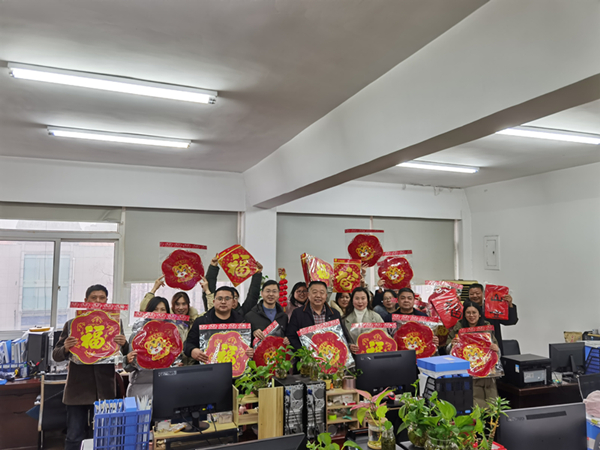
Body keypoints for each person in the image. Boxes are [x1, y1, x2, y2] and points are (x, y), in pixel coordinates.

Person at [52, 285, 128, 450]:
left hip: (104, 390)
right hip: (77, 390)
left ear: (107, 301)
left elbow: (125, 354)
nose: (98, 301)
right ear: (85, 301)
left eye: (102, 298)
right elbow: (56, 355)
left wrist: (125, 344)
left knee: (104, 436)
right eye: (94, 298)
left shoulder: (114, 323)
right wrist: (66, 347)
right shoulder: (72, 324)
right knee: (74, 436)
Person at [447, 302, 500, 408]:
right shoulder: (457, 329)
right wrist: (452, 345)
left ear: (479, 314)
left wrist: (496, 349)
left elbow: (496, 349)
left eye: (474, 312)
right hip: (468, 372)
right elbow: (448, 350)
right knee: (475, 403)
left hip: (487, 372)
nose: (471, 315)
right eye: (468, 313)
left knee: (492, 402)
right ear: (464, 314)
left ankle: (492, 418)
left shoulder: (487, 328)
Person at [184, 286, 254, 364]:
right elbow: (187, 344)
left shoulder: (242, 323)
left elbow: (251, 345)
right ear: (214, 302)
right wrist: (192, 350)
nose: (223, 302)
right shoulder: (202, 322)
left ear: (234, 302)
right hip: (208, 368)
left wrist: (252, 351)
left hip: (235, 368)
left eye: (227, 298)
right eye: (220, 299)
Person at [124, 296, 170, 398]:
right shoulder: (138, 334)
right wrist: (128, 361)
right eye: (155, 309)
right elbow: (129, 367)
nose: (159, 313)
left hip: (165, 386)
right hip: (140, 387)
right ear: (149, 312)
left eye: (163, 309)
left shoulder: (172, 335)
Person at [286, 281, 349, 350]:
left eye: (322, 292)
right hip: (306, 354)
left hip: (330, 353)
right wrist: (304, 352)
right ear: (308, 295)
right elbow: (291, 336)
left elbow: (342, 335)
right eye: (314, 292)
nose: (318, 295)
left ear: (326, 295)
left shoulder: (334, 313)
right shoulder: (298, 313)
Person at [467, 283, 518, 355]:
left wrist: (510, 305)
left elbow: (511, 321)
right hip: (471, 348)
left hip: (493, 346)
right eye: (472, 294)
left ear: (483, 294)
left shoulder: (493, 307)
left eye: (477, 293)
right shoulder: (465, 309)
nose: (475, 296)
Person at [245, 280, 289, 345]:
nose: (271, 294)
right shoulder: (250, 316)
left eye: (274, 291)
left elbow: (287, 336)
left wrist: (287, 339)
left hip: (278, 351)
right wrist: (253, 333)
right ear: (262, 293)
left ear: (278, 294)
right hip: (258, 351)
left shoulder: (283, 317)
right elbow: (244, 340)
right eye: (268, 291)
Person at [342, 287, 384, 353]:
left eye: (363, 298)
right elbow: (341, 339)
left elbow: (384, 336)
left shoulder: (376, 317)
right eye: (357, 298)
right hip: (353, 355)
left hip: (372, 353)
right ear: (352, 300)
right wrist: (349, 346)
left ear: (368, 300)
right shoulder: (344, 319)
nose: (360, 302)